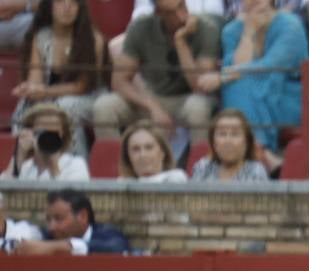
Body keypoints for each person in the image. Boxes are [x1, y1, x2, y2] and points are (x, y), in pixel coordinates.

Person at [92, 0, 220, 144]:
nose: (181, 16)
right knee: (104, 107)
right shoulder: (141, 27)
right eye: (172, 13)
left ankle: (200, 163)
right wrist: (152, 106)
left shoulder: (207, 28)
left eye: (182, 6)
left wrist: (181, 42)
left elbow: (199, 87)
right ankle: (114, 163)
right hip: (151, 96)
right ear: (158, 13)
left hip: (186, 99)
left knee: (198, 107)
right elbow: (119, 81)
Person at [11, 0, 107, 155]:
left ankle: (78, 167)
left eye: (73, 3)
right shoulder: (40, 37)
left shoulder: (94, 39)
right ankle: (21, 165)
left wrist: (45, 92)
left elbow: (82, 86)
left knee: (65, 108)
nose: (67, 7)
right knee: (24, 108)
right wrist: (29, 89)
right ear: (49, 6)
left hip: (89, 97)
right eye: (60, 2)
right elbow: (35, 80)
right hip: (52, 95)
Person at [219, 0, 309, 164]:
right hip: (250, 98)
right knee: (238, 86)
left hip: (288, 97)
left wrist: (223, 77)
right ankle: (260, 152)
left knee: (240, 84)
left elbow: (270, 67)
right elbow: (234, 70)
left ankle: (254, 150)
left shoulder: (291, 26)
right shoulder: (232, 31)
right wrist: (248, 33)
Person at [9, 188, 130, 254]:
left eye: (59, 219)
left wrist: (61, 247)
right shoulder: (49, 235)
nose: (52, 227)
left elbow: (116, 248)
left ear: (82, 216)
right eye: (49, 220)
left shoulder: (108, 235)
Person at [2, 103, 91, 180]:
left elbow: (72, 198)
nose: (47, 138)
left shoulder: (75, 164)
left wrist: (54, 169)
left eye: (53, 133)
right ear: (30, 132)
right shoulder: (24, 167)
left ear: (63, 135)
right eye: (42, 132)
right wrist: (18, 157)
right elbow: (1, 196)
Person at [190, 108, 271, 181]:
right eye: (222, 134)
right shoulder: (203, 168)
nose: (228, 141)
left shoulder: (256, 172)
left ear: (247, 142)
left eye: (235, 134)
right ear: (213, 142)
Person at [118, 120, 188, 180]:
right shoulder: (121, 184)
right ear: (128, 156)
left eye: (149, 147)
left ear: (163, 152)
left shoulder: (176, 179)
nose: (143, 155)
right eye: (136, 149)